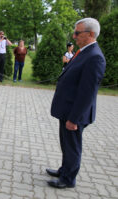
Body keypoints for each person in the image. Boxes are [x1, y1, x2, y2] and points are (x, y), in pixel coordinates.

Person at [47, 18, 106, 189]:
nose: (74, 36)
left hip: (75, 113)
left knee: (72, 146)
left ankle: (68, 179)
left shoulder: (95, 57)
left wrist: (74, 118)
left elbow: (87, 93)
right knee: (65, 143)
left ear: (91, 34)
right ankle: (64, 170)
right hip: (67, 109)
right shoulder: (83, 51)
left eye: (77, 33)